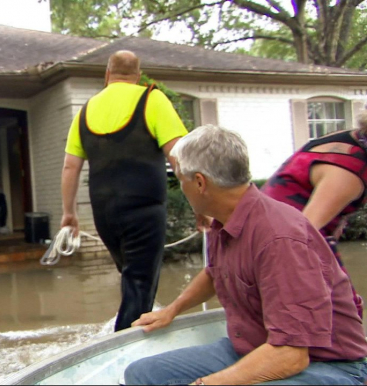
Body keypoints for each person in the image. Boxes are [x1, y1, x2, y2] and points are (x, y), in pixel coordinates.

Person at [123, 124, 367, 385]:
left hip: (327, 364)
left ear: (199, 182)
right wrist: (172, 310)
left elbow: (291, 355)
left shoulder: (280, 238)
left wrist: (209, 383)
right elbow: (216, 272)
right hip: (253, 346)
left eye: (180, 179)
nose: (181, 187)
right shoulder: (227, 219)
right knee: (142, 374)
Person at [60, 50, 188, 332]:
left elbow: (71, 167)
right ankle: (124, 355)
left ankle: (137, 331)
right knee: (139, 284)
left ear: (107, 75)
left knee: (132, 279)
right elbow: (180, 156)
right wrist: (200, 203)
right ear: (138, 76)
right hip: (144, 210)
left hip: (104, 215)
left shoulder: (86, 109)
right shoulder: (151, 99)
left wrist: (69, 213)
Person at [261, 108, 367, 318]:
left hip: (265, 226)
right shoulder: (350, 171)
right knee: (347, 312)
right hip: (280, 240)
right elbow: (300, 233)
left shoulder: (348, 141)